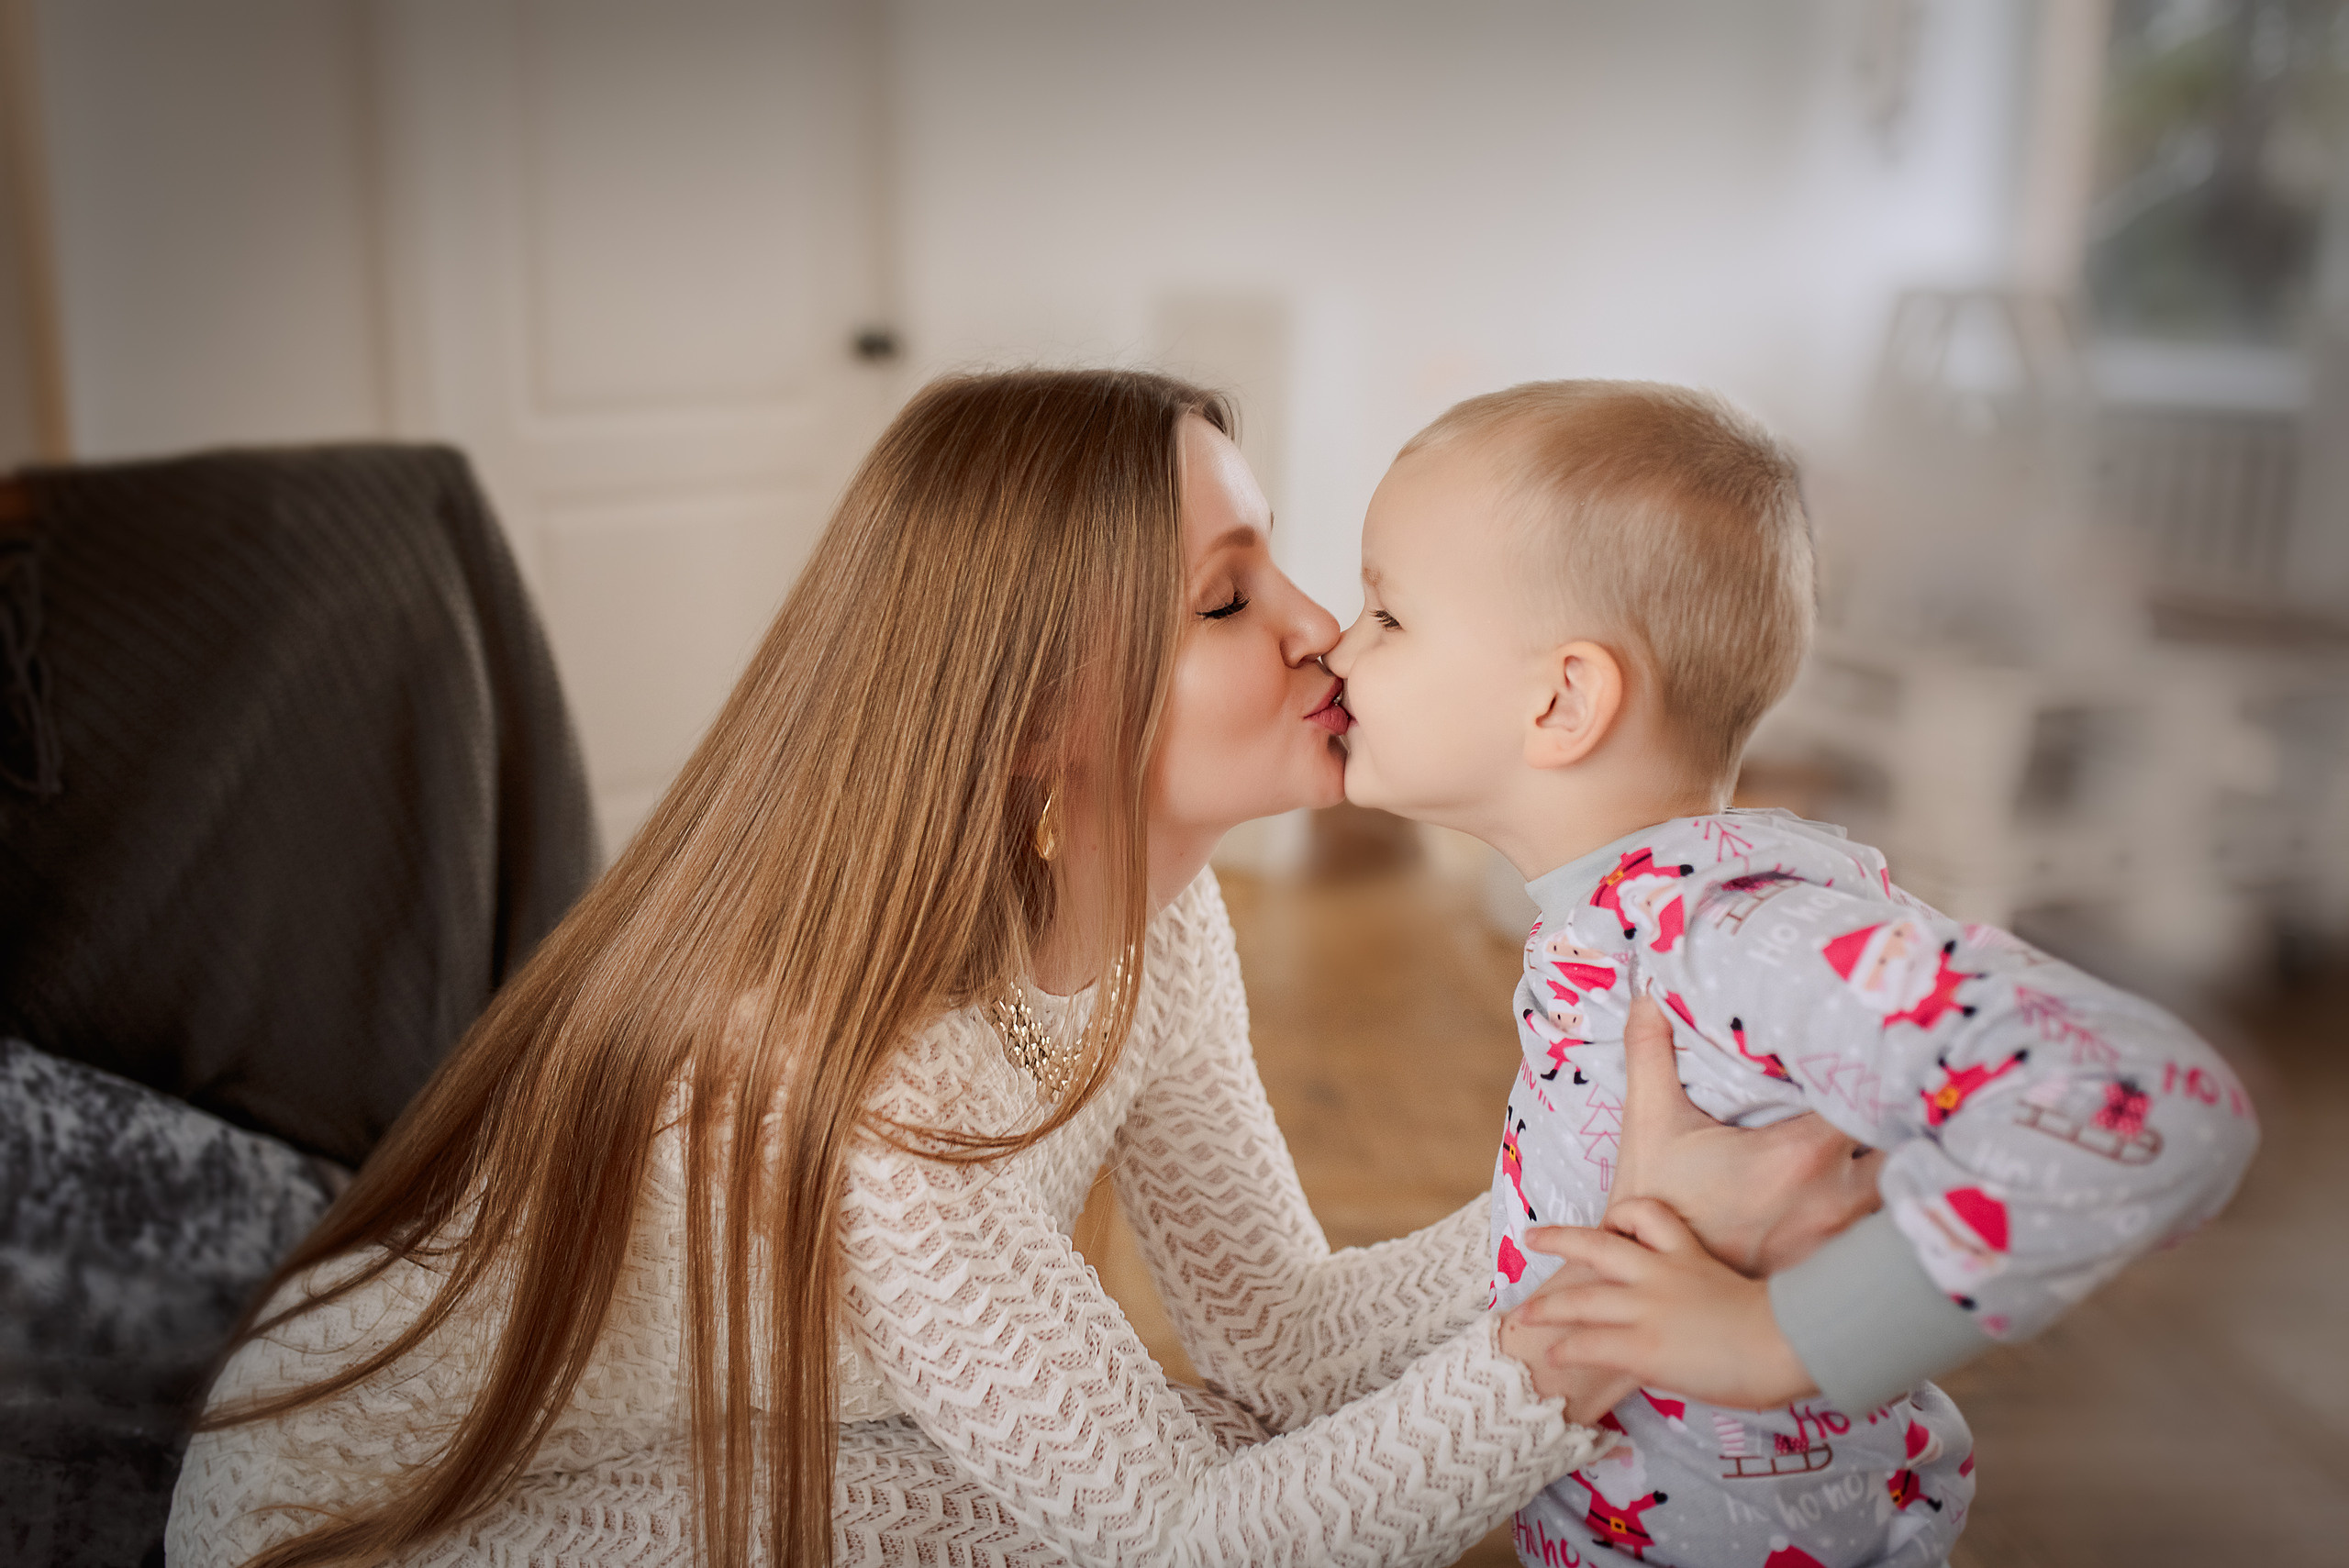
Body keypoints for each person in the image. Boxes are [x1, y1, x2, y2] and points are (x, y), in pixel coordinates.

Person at [169, 370, 1884, 1568]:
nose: (1318, 627)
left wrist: (1600, 1199)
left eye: (1280, 560)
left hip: (656, 1445)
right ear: (1035, 722)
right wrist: (1608, 1317)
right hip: (368, 1525)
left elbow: (1277, 1333)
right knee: (1162, 1504)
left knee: (1243, 1444)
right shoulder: (883, 1083)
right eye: (1227, 600)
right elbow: (1180, 1547)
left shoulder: (1160, 919)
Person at [1325, 378, 2263, 1567]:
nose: (1339, 646)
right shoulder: (1619, 923)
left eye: (1386, 614)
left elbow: (2159, 1098)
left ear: (1561, 699)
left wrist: (1783, 1335)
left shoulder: (1739, 940)